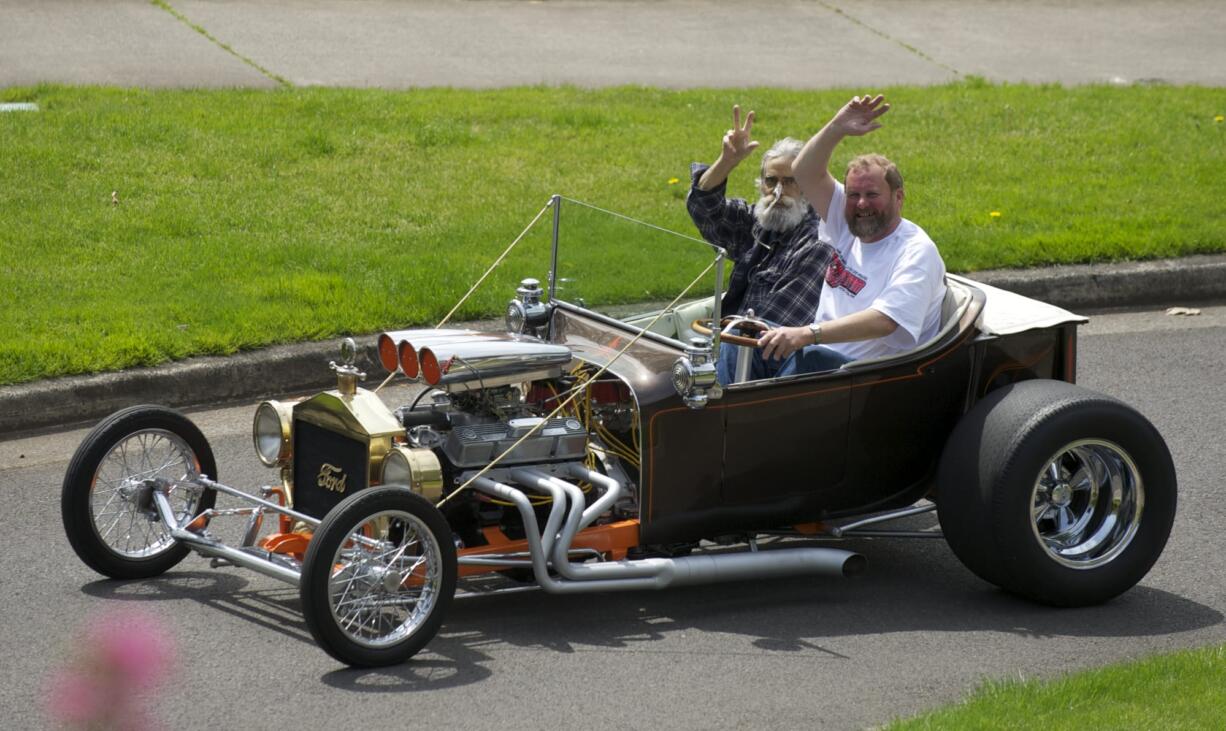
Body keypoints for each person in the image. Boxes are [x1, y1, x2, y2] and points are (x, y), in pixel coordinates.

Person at [757, 94, 947, 375]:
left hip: (866, 377)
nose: (861, 204)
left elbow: (885, 320)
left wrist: (808, 334)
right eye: (853, 194)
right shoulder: (847, 222)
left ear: (899, 197)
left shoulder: (916, 251)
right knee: (744, 343)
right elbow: (805, 171)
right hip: (818, 356)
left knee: (808, 361)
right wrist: (836, 128)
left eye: (872, 195)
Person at [686, 105, 834, 384]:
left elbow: (759, 332)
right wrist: (726, 161)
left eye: (790, 181)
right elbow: (705, 209)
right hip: (729, 346)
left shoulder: (817, 244)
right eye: (771, 180)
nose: (778, 191)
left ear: (808, 186)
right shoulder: (762, 222)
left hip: (755, 371)